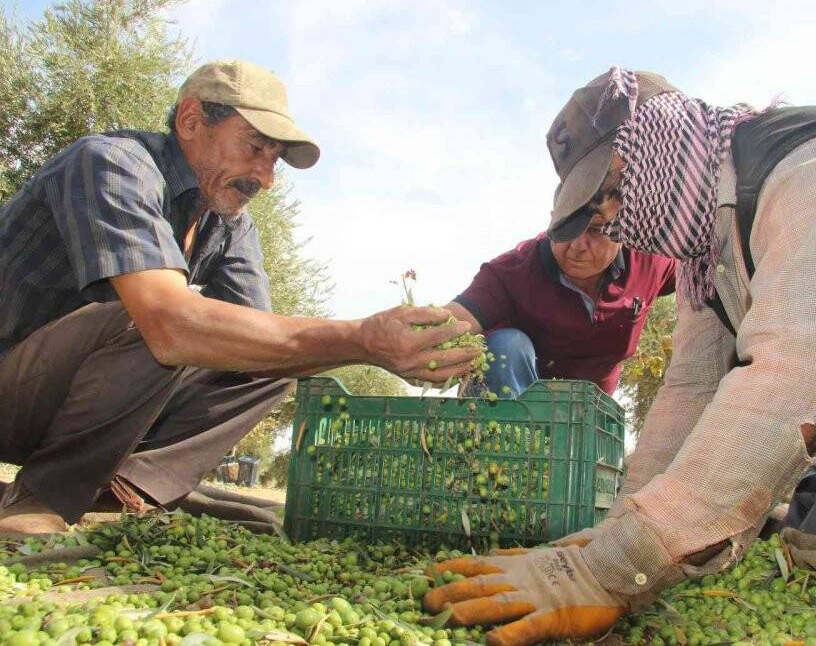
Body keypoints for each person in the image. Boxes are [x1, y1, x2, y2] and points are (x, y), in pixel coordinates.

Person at [424, 68, 816, 645]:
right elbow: (690, 390)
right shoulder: (709, 251)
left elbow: (801, 375)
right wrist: (620, 530)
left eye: (616, 190)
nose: (613, 218)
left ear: (665, 140)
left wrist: (616, 570)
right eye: (598, 208)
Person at [0, 60, 479, 535]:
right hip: (14, 390)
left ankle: (122, 490)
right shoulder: (111, 164)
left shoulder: (229, 222)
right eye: (254, 149)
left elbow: (262, 342)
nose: (265, 178)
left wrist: (348, 345)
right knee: (155, 319)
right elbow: (168, 322)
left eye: (273, 160)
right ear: (190, 121)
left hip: (74, 412)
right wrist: (361, 338)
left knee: (279, 361)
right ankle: (41, 497)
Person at [445, 220, 675, 397]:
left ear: (625, 229)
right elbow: (455, 320)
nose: (576, 246)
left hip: (587, 410)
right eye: (566, 226)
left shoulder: (650, 261)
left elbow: (699, 276)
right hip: (519, 400)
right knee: (506, 345)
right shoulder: (513, 271)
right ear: (553, 220)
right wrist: (417, 336)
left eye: (595, 230)